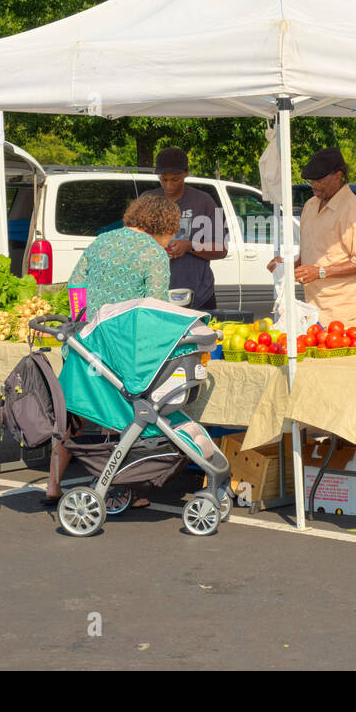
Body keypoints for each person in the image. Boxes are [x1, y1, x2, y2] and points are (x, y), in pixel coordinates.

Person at [46, 193, 181, 506]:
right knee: (121, 420)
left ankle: (53, 485)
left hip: (84, 346)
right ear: (165, 225)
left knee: (72, 419)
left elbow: (75, 286)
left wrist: (83, 324)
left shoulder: (101, 241)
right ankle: (118, 489)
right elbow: (155, 308)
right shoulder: (154, 254)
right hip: (122, 352)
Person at [269, 147, 356, 332]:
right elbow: (310, 257)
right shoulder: (310, 206)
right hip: (312, 307)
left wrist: (320, 272)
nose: (313, 185)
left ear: (338, 176)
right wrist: (287, 264)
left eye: (319, 180)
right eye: (311, 180)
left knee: (340, 361)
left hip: (344, 309)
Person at [140, 147, 227, 311]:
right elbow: (132, 244)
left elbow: (222, 249)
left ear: (186, 173)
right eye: (163, 179)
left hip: (199, 296)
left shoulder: (204, 201)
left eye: (175, 179)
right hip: (154, 296)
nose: (168, 185)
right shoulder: (147, 200)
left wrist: (190, 247)